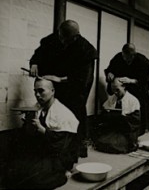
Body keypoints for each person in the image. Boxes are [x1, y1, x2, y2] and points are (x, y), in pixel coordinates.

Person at [29, 19, 98, 157]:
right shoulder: (53, 39)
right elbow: (38, 53)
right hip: (54, 81)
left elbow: (83, 78)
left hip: (74, 86)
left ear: (75, 37)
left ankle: (76, 148)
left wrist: (60, 79)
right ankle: (49, 144)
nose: (61, 41)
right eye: (60, 37)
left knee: (75, 111)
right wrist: (34, 63)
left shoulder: (86, 49)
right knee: (51, 109)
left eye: (65, 39)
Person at [2, 78, 79, 189]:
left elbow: (63, 147)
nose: (37, 95)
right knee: (13, 169)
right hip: (43, 152)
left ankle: (62, 176)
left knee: (34, 179)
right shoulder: (38, 107)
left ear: (52, 91)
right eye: (35, 91)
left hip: (59, 157)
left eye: (41, 91)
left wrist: (43, 130)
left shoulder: (64, 114)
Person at [104, 43, 149, 135]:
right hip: (122, 88)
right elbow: (109, 69)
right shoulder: (118, 57)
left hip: (137, 87)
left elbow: (145, 80)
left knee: (139, 105)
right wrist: (110, 73)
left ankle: (140, 129)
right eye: (124, 57)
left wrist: (132, 81)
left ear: (134, 55)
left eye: (128, 59)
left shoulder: (143, 61)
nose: (125, 60)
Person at [94, 78, 140, 154]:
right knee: (101, 142)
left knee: (114, 145)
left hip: (127, 132)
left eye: (117, 90)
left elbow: (135, 122)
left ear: (124, 86)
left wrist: (122, 118)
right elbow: (104, 114)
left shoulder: (133, 100)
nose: (115, 93)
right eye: (113, 90)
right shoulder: (112, 98)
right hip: (114, 130)